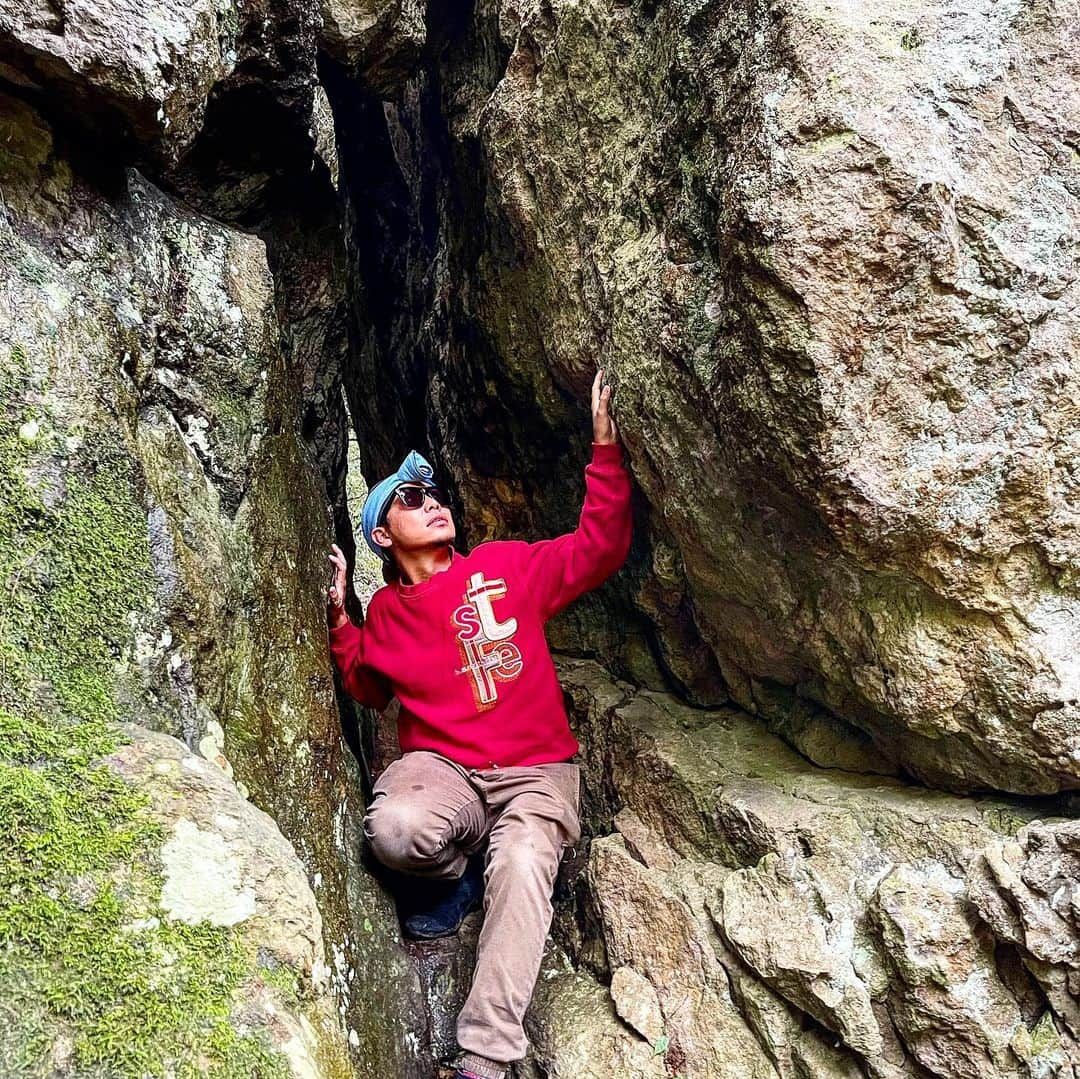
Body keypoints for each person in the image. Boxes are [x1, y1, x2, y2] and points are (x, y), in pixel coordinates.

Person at [325, 369, 631, 1079]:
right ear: (380, 533)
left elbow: (597, 547)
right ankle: (459, 877)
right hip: (447, 771)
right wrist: (342, 618)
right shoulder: (392, 617)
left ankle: (483, 1061)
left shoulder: (502, 568)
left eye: (433, 494)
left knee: (523, 860)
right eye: (410, 498)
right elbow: (366, 686)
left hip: (536, 773)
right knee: (396, 829)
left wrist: (605, 452)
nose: (431, 503)